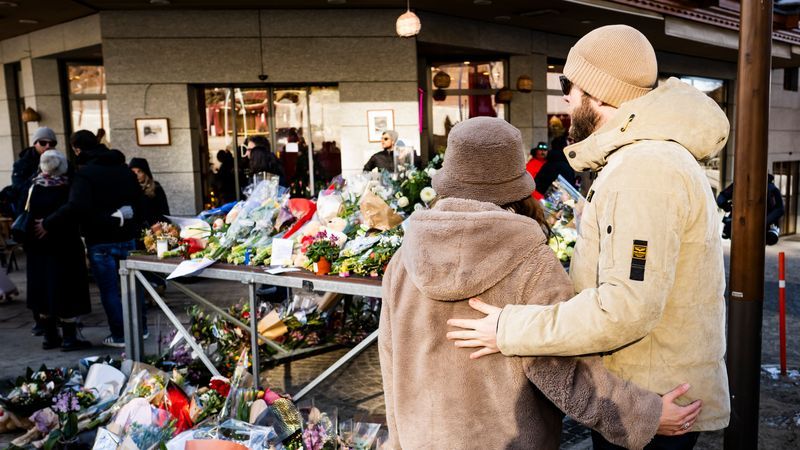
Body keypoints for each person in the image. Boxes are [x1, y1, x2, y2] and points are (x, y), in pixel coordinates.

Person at [446, 25, 730, 449]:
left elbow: (625, 308)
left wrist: (509, 328)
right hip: (647, 392)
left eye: (568, 84)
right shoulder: (644, 160)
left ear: (599, 93)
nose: (565, 97)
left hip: (650, 400)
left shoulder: (644, 169)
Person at [380, 116, 700, 449]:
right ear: (517, 183)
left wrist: (398, 442)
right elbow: (565, 373)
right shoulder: (531, 262)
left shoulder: (404, 260)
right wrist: (642, 416)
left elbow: (390, 366)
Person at [37, 130, 145, 348]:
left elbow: (77, 206)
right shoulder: (123, 169)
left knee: (110, 290)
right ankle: (140, 330)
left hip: (101, 239)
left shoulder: (85, 174)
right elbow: (139, 200)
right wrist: (121, 216)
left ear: (77, 149)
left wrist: (47, 223)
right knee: (134, 288)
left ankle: (120, 335)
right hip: (127, 237)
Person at [26, 150, 91, 351]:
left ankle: (50, 337)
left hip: (38, 248)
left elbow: (26, 214)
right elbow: (74, 214)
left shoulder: (34, 187)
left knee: (44, 292)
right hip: (65, 248)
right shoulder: (67, 188)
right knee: (67, 291)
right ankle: (70, 338)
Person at [10, 126, 58, 337]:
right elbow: (19, 192)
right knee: (36, 277)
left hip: (54, 229)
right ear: (35, 143)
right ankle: (40, 319)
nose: (48, 147)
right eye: (43, 143)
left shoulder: (59, 161)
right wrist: (38, 176)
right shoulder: (24, 164)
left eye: (52, 143)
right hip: (32, 229)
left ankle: (56, 318)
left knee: (54, 276)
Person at [717, 174, 784, 244]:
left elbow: (720, 199)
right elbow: (780, 209)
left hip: (742, 226)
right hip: (754, 228)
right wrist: (764, 222)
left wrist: (727, 207)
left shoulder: (740, 184)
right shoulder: (772, 188)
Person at [129, 157, 170, 226]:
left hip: (154, 228)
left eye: (139, 171)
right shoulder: (128, 188)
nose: (136, 175)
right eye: (133, 172)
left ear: (145, 173)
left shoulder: (155, 187)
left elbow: (164, 211)